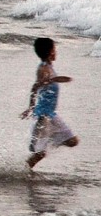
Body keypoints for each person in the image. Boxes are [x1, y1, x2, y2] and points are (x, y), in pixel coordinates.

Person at [22, 37, 80, 168]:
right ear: (50, 52)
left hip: (52, 115)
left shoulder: (49, 67)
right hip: (44, 116)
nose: (56, 52)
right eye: (54, 49)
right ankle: (23, 170)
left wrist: (54, 79)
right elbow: (36, 86)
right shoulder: (43, 69)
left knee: (72, 141)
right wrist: (30, 107)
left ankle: (46, 141)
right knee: (40, 153)